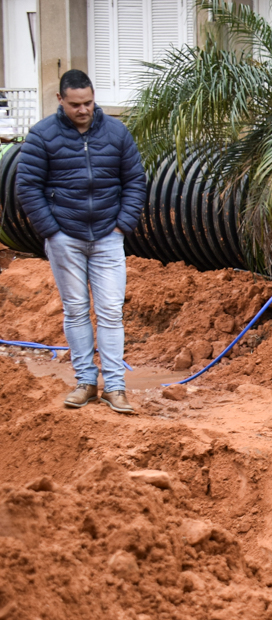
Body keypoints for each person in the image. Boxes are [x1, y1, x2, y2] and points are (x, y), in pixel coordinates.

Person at [16, 69, 146, 414]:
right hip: (65, 238)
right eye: (75, 104)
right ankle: (86, 382)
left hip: (108, 236)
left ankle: (115, 387)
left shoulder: (117, 133)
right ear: (61, 100)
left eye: (88, 102)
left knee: (110, 312)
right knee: (75, 311)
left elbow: (135, 180)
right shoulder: (42, 136)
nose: (84, 109)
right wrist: (51, 231)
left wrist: (122, 227)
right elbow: (26, 187)